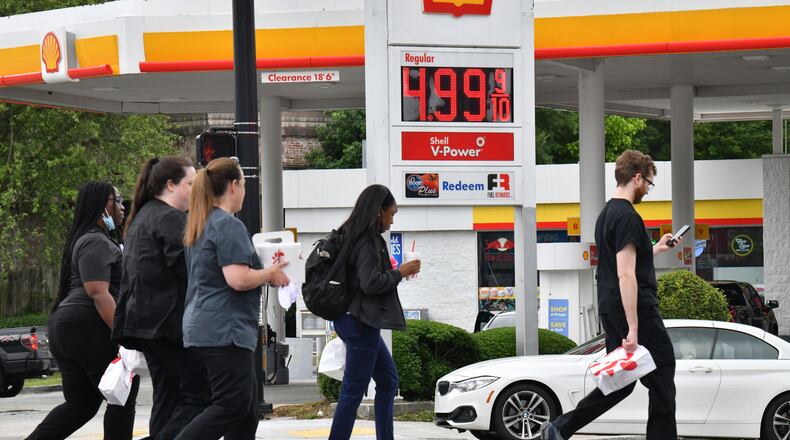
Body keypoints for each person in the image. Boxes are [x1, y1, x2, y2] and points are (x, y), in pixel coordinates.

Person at [542, 150, 681, 440]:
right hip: (636, 308)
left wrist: (656, 248)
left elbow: (624, 261)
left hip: (610, 305)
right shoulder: (628, 217)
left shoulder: (606, 215)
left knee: (621, 381)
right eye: (649, 184)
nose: (648, 190)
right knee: (663, 372)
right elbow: (626, 274)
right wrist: (633, 328)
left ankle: (560, 428)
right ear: (637, 178)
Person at [176, 157, 289, 440]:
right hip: (224, 331)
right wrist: (270, 273)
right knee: (232, 405)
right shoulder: (228, 225)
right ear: (234, 186)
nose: (245, 192)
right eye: (245, 185)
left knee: (247, 411)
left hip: (204, 327)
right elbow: (237, 279)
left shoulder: (201, 223)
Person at [27, 182, 139, 440]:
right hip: (86, 325)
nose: (122, 206)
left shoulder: (93, 239)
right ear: (101, 208)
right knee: (123, 392)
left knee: (81, 404)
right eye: (116, 200)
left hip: (69, 327)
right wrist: (123, 335)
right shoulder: (95, 241)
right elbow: (98, 292)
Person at [112, 156, 211, 439]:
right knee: (203, 394)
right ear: (170, 185)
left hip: (144, 324)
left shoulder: (142, 217)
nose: (195, 191)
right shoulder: (169, 218)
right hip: (167, 323)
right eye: (190, 184)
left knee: (168, 395)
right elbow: (188, 269)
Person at [329, 184, 421, 440]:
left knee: (388, 380)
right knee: (353, 390)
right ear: (378, 211)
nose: (392, 220)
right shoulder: (367, 240)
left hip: (352, 319)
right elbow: (370, 283)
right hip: (360, 321)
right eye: (391, 213)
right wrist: (399, 272)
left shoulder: (350, 234)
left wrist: (392, 272)